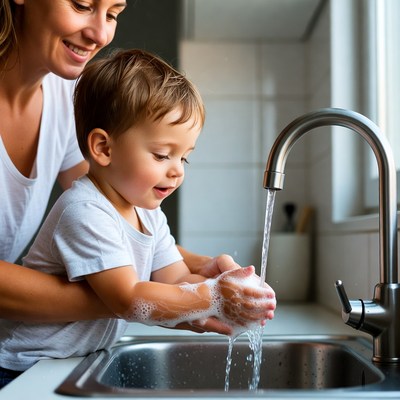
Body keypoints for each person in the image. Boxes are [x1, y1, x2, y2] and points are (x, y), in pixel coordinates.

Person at [0, 48, 276, 387]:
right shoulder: (85, 211)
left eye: (184, 159)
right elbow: (128, 298)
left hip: (68, 362)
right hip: (20, 367)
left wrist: (234, 295)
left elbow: (174, 280)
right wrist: (215, 295)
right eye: (162, 155)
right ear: (103, 148)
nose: (176, 172)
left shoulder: (148, 213)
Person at [0, 0, 254, 331]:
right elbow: (125, 290)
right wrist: (175, 299)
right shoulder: (81, 207)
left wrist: (201, 273)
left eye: (112, 13)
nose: (100, 33)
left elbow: (112, 213)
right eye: (81, 5)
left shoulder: (65, 96)